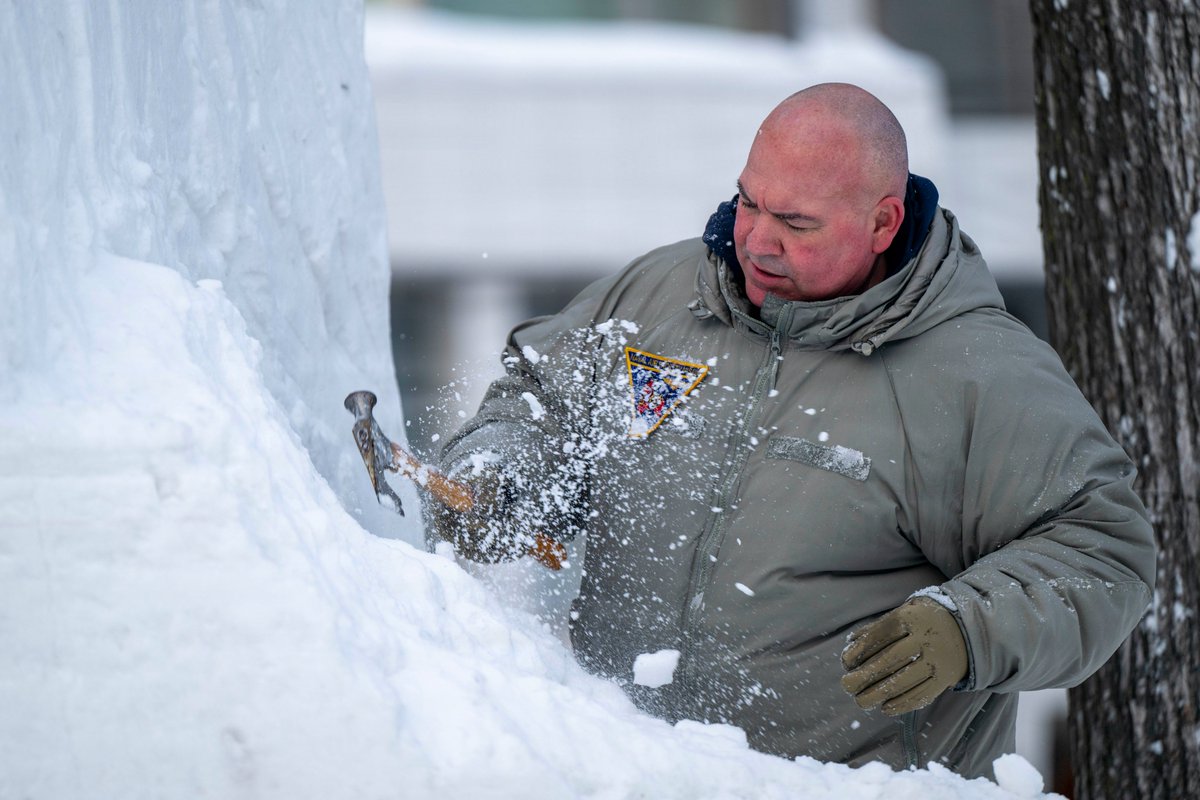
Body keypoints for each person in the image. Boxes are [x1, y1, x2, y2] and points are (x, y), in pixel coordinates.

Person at [431, 83, 1156, 778]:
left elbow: (1102, 549)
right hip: (619, 770)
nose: (756, 242)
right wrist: (503, 472)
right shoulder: (659, 294)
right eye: (749, 202)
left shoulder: (980, 374)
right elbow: (539, 405)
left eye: (797, 224)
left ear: (883, 223)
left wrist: (969, 629)